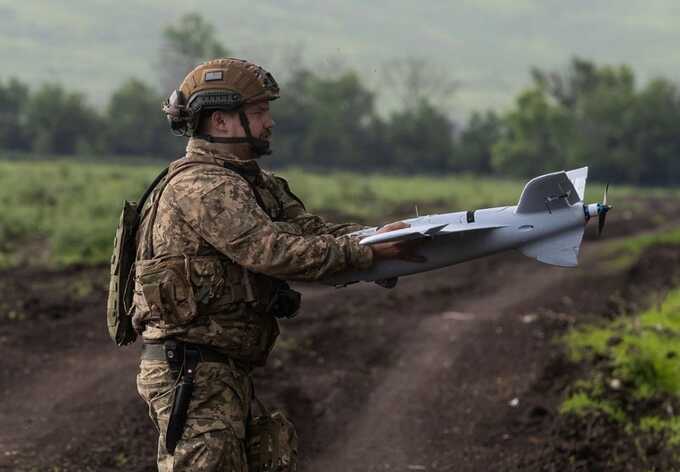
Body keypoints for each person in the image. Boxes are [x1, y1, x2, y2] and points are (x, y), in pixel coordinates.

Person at [134, 58, 416, 471]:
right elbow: (271, 251)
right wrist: (366, 255)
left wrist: (379, 238)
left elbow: (309, 230)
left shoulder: (250, 181)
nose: (270, 123)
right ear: (222, 121)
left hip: (220, 370)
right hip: (194, 373)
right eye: (259, 112)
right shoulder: (205, 186)